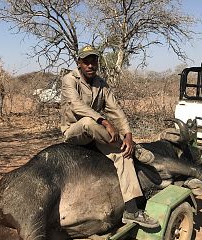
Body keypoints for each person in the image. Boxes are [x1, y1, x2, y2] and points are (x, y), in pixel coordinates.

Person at [60, 45, 159, 228]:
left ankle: (132, 210)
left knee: (124, 154)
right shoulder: (69, 80)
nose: (90, 65)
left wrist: (128, 136)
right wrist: (104, 121)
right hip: (76, 131)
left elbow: (116, 110)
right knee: (89, 123)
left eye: (94, 61)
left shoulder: (101, 83)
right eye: (86, 61)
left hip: (97, 133)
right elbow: (76, 106)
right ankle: (134, 148)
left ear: (97, 63)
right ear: (79, 63)